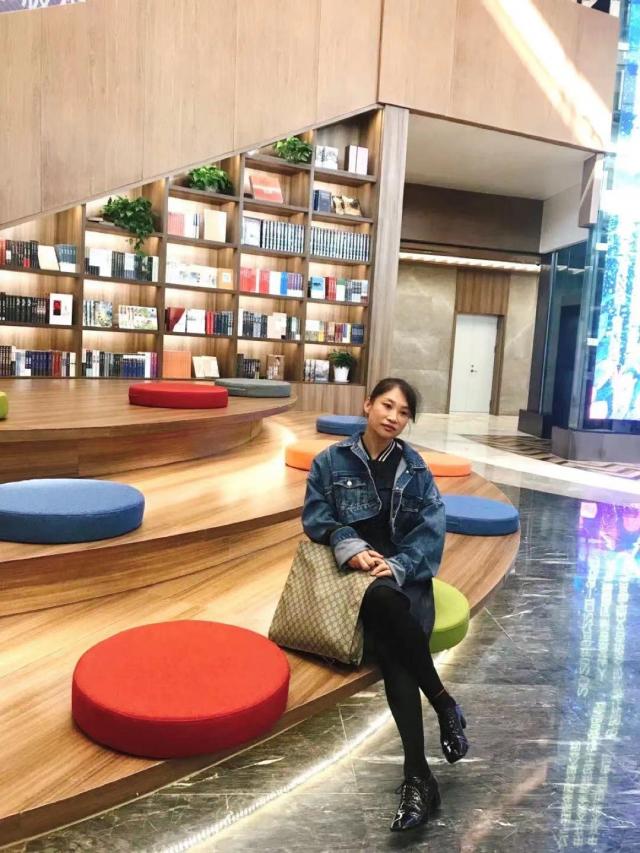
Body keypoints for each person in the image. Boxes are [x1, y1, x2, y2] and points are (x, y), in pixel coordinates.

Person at [302, 377, 469, 832]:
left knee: (394, 645)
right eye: (387, 406)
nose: (393, 417)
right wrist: (350, 544)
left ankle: (419, 777)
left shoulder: (414, 468)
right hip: (354, 576)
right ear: (368, 404)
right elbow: (317, 516)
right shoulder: (330, 461)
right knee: (386, 612)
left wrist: (396, 566)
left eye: (404, 412)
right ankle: (443, 706)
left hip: (403, 576)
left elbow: (431, 533)